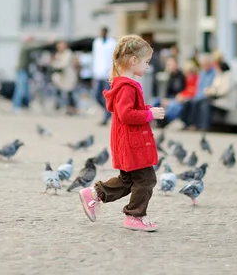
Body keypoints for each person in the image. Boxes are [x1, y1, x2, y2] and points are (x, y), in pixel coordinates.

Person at [78, 35, 165, 232]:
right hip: (133, 143)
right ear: (134, 61)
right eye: (146, 62)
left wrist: (147, 109)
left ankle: (94, 194)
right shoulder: (127, 86)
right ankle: (135, 216)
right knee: (146, 179)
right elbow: (126, 114)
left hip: (126, 142)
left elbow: (128, 110)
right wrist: (149, 114)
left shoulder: (121, 84)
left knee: (127, 181)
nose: (148, 67)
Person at [180, 53, 217, 130]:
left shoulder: (214, 73)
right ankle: (186, 123)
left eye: (205, 65)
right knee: (188, 102)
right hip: (199, 95)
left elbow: (211, 87)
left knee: (196, 102)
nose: (203, 67)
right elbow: (198, 86)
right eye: (202, 65)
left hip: (207, 95)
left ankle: (194, 125)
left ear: (209, 64)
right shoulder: (202, 72)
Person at [92, 27, 117, 125]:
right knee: (97, 96)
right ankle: (109, 111)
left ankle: (106, 117)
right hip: (98, 73)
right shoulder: (96, 42)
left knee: (107, 97)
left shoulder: (112, 42)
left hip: (108, 74)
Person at [51, 41, 78, 115]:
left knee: (69, 93)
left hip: (69, 77)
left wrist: (54, 64)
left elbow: (63, 64)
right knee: (59, 91)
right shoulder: (59, 54)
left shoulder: (68, 53)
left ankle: (72, 109)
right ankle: (59, 105)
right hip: (61, 78)